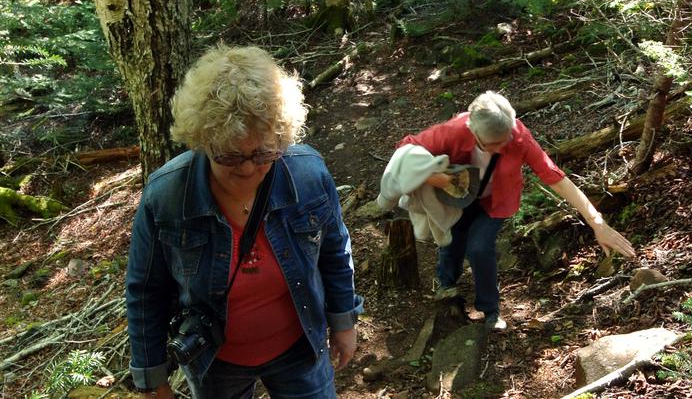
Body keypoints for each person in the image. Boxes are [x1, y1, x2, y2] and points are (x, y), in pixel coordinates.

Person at [126, 45, 363, 399]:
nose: (249, 168)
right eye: (231, 155)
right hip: (215, 362)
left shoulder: (309, 176)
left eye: (263, 153)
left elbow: (334, 251)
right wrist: (152, 379)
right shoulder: (167, 197)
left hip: (300, 348)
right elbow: (146, 291)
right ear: (202, 141)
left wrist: (343, 321)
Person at [398, 91, 635, 331]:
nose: (501, 148)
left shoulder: (519, 138)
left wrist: (597, 223)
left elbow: (554, 177)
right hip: (456, 196)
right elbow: (406, 148)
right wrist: (433, 176)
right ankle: (447, 284)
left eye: (504, 140)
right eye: (492, 144)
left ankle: (490, 310)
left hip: (496, 200)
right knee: (451, 240)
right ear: (473, 130)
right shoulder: (455, 129)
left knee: (480, 248)